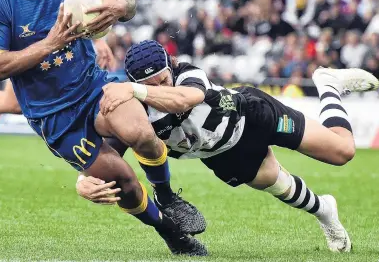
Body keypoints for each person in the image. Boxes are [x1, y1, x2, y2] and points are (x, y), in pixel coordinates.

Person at [0, 0, 207, 256]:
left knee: (142, 133)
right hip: (54, 117)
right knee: (123, 181)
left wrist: (118, 7)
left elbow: (126, 2)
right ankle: (169, 231)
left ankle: (167, 195)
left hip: (94, 88)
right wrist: (48, 44)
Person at [76, 40, 379, 253]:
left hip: (253, 115)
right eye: (149, 85)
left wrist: (136, 89)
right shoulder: (134, 113)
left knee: (343, 152)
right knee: (280, 186)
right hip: (223, 155)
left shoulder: (187, 73)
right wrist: (83, 181)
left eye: (162, 80)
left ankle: (327, 85)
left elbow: (185, 99)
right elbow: (104, 154)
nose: (158, 90)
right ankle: (325, 211)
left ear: (171, 67)